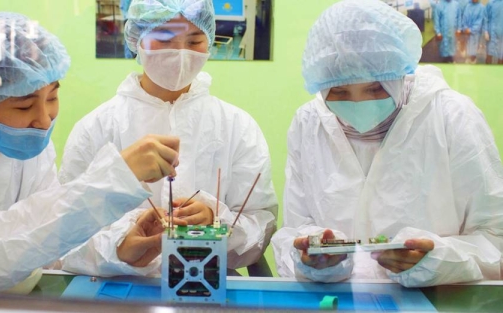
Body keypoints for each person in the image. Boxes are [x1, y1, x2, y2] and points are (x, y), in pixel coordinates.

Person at [0, 12, 179, 292]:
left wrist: (119, 248)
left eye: (52, 97)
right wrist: (110, 182)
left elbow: (47, 239)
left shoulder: (28, 143)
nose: (44, 120)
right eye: (24, 106)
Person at [271, 0, 503, 288]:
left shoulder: (451, 116)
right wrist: (315, 257)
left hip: (437, 300)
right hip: (336, 302)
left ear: (398, 74)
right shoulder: (309, 122)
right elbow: (294, 229)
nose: (359, 103)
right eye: (340, 91)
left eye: (375, 88)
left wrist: (438, 259)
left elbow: (495, 237)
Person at [59, 0, 278, 277]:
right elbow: (64, 234)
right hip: (116, 289)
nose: (180, 52)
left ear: (210, 41)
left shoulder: (237, 126)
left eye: (194, 40)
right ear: (137, 41)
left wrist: (215, 220)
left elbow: (262, 222)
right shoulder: (96, 128)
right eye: (164, 38)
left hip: (208, 288)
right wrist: (120, 245)